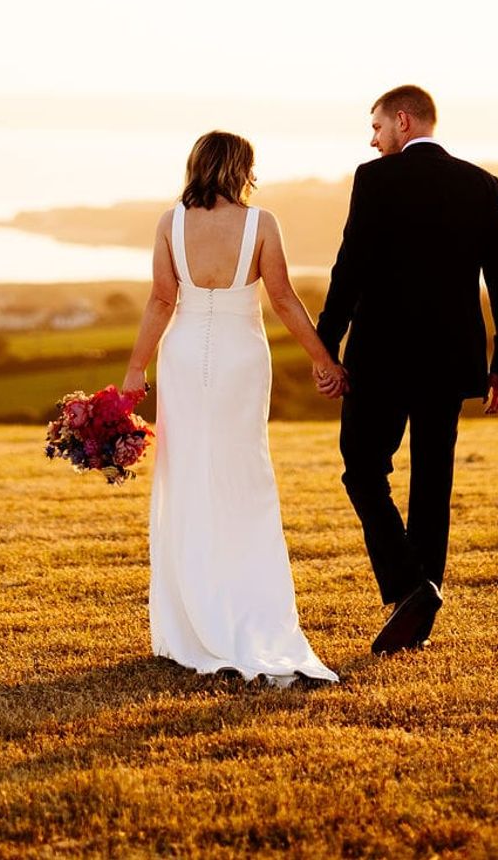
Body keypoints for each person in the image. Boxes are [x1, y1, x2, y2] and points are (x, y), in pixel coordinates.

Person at [122, 130, 341, 685]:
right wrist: (324, 361)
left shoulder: (170, 223)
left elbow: (160, 300)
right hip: (244, 358)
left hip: (183, 354)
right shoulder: (262, 224)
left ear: (196, 165)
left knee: (189, 475)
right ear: (243, 168)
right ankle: (249, 608)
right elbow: (285, 298)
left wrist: (134, 369)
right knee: (244, 478)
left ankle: (193, 616)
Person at [315, 84, 498, 656]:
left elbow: (348, 270)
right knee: (433, 483)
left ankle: (412, 586)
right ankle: (419, 614)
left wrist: (325, 347)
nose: (373, 137)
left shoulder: (373, 179)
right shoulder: (482, 184)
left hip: (380, 356)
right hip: (452, 359)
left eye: (377, 126)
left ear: (402, 121)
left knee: (362, 469)